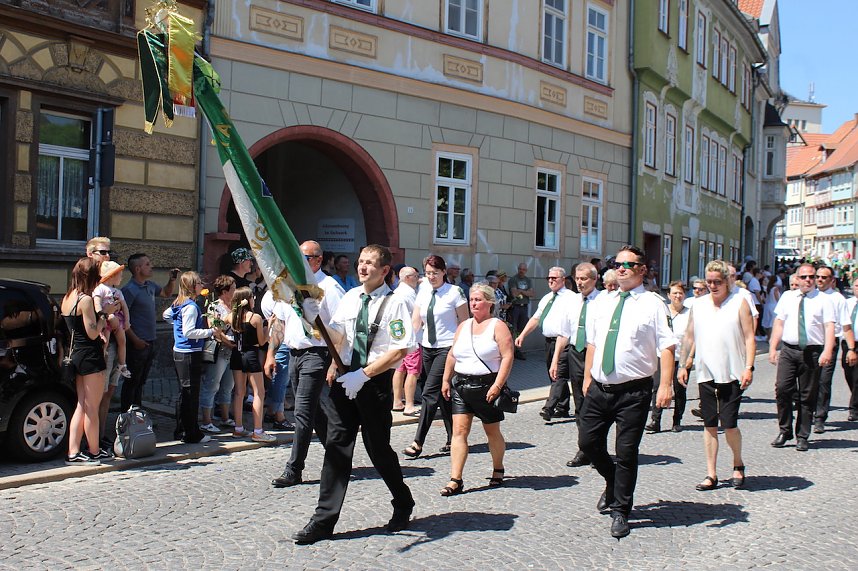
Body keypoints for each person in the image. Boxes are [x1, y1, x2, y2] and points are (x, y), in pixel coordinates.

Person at [291, 245, 416, 544]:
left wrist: (365, 374)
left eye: (370, 263)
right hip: (346, 379)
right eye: (361, 262)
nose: (363, 267)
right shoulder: (350, 297)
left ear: (385, 270)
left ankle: (402, 500)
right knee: (336, 447)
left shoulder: (395, 303)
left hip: (373, 382)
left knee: (378, 450)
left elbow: (400, 349)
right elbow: (338, 337)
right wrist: (314, 318)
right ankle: (323, 521)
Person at [579, 246, 676, 538]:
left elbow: (667, 346)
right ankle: (612, 480)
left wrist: (666, 385)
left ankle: (621, 510)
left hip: (633, 392)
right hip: (600, 387)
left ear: (642, 270)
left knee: (626, 452)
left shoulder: (653, 304)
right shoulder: (603, 302)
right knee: (588, 442)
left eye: (628, 264)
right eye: (617, 264)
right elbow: (593, 343)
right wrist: (587, 377)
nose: (621, 268)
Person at [269, 240, 345, 488]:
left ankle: (294, 469)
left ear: (318, 260)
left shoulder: (329, 287)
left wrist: (335, 362)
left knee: (302, 412)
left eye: (306, 258)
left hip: (317, 354)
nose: (299, 262)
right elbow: (280, 321)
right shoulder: (289, 285)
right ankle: (338, 455)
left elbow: (342, 328)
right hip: (294, 353)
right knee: (315, 413)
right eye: (297, 257)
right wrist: (271, 353)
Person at [678, 261, 754, 491]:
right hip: (705, 372)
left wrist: (748, 367)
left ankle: (737, 463)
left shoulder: (739, 303)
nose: (712, 286)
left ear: (727, 281)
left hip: (732, 371)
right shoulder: (698, 305)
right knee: (709, 424)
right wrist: (683, 364)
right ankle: (711, 473)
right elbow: (689, 337)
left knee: (729, 424)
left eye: (717, 282)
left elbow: (750, 337)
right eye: (709, 282)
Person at [439, 283, 514, 495]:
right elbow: (452, 354)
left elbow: (508, 356)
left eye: (478, 299)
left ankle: (498, 469)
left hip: (487, 386)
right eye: (472, 299)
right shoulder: (463, 326)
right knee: (459, 432)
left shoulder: (497, 326)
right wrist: (446, 380)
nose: (473, 303)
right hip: (461, 385)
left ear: (489, 302)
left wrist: (498, 385)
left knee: (492, 431)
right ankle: (456, 479)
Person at [402, 255, 469, 458]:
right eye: (428, 273)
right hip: (427, 346)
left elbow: (464, 321)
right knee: (442, 394)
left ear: (443, 272)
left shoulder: (454, 292)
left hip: (447, 348)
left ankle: (418, 441)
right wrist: (408, 342)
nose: (431, 277)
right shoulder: (422, 292)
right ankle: (453, 438)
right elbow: (416, 320)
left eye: (435, 273)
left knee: (428, 394)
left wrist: (459, 348)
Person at [768, 263, 837, 452]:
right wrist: (773, 347)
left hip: (812, 351)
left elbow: (829, 327)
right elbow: (779, 323)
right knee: (782, 389)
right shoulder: (787, 297)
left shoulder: (824, 300)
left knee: (807, 395)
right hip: (789, 350)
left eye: (812, 277)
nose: (808, 280)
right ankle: (785, 430)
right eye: (804, 277)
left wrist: (827, 351)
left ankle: (802, 435)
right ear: (797, 279)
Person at [550, 262, 601, 467]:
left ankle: (598, 448)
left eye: (584, 279)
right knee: (580, 403)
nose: (580, 283)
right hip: (575, 354)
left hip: (595, 354)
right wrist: (555, 360)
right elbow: (564, 334)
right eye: (577, 279)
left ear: (594, 279)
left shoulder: (604, 301)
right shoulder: (571, 302)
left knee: (596, 403)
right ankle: (584, 448)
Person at [62, 257, 112, 464]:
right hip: (90, 356)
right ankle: (94, 450)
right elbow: (93, 332)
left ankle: (73, 452)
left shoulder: (68, 297)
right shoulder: (85, 299)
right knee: (92, 406)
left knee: (81, 405)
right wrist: (105, 315)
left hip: (76, 354)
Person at [163, 272, 218, 444]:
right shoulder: (191, 307)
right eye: (199, 283)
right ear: (193, 286)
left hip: (180, 352)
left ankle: (182, 429)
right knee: (191, 394)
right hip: (188, 353)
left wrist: (176, 326)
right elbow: (189, 332)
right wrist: (210, 332)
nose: (202, 286)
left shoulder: (179, 303)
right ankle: (192, 433)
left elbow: (166, 315)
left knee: (184, 393)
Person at [516, 266, 573, 420]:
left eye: (554, 278)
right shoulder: (547, 298)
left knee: (558, 374)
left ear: (563, 279)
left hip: (564, 341)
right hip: (548, 342)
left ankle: (549, 407)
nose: (551, 281)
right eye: (549, 278)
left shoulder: (570, 298)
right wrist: (523, 335)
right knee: (552, 373)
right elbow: (536, 318)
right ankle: (563, 406)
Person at [121, 253, 177, 411]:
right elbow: (122, 319)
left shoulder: (150, 285)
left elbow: (166, 293)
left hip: (150, 342)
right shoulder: (129, 290)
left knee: (141, 382)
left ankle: (137, 415)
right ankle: (126, 416)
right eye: (147, 264)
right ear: (138, 269)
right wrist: (135, 340)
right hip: (137, 344)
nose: (151, 266)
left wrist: (172, 280)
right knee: (132, 381)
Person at [225, 286, 275, 443]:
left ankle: (238, 428)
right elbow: (261, 342)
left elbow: (217, 329)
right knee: (259, 392)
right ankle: (258, 431)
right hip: (251, 355)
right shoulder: (255, 318)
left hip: (236, 354)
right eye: (252, 297)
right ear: (248, 299)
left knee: (239, 392)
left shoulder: (231, 316)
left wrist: (228, 342)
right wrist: (270, 326)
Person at [813, 265, 858, 433]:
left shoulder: (838, 299)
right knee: (810, 382)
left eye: (824, 277)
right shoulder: (811, 295)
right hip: (811, 345)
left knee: (824, 381)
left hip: (830, 344)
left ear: (832, 280)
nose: (819, 280)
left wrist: (851, 348)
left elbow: (846, 326)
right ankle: (808, 412)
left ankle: (820, 417)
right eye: (818, 276)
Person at [646, 281, 691, 433]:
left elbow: (692, 338)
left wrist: (688, 359)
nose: (677, 296)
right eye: (674, 293)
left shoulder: (689, 313)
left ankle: (677, 420)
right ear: (668, 295)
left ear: (684, 295)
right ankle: (655, 420)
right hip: (662, 356)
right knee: (657, 386)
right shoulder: (663, 312)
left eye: (680, 293)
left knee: (679, 390)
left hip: (681, 357)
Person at [199, 275, 237, 433]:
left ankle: (225, 417)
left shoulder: (234, 305)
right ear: (225, 291)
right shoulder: (215, 306)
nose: (235, 291)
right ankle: (206, 420)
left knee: (229, 385)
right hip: (220, 350)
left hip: (233, 350)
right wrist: (229, 344)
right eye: (233, 288)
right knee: (212, 384)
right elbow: (215, 331)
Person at [93, 261, 131, 380]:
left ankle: (122, 364)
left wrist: (127, 321)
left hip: (117, 319)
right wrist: (101, 313)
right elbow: (97, 302)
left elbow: (124, 307)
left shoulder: (118, 292)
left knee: (123, 341)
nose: (122, 277)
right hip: (106, 318)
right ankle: (102, 361)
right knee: (106, 342)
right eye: (120, 274)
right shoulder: (100, 288)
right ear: (112, 275)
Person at [392, 266, 421, 416]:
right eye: (416, 276)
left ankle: (397, 401)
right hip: (412, 337)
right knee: (413, 371)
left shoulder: (397, 291)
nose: (418, 278)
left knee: (400, 369)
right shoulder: (409, 293)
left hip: (399, 338)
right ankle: (409, 404)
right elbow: (418, 315)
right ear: (408, 278)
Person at [508, 263, 535, 360]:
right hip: (515, 307)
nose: (521, 271)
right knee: (513, 328)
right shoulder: (513, 280)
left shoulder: (528, 280)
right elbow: (514, 293)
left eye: (523, 269)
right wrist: (525, 292)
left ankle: (518, 349)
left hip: (524, 307)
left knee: (521, 329)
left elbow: (532, 293)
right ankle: (512, 351)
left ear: (526, 270)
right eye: (520, 269)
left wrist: (521, 291)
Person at [843, 279, 858, 422]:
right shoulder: (847, 303)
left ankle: (853, 408)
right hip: (848, 342)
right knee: (849, 373)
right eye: (857, 286)